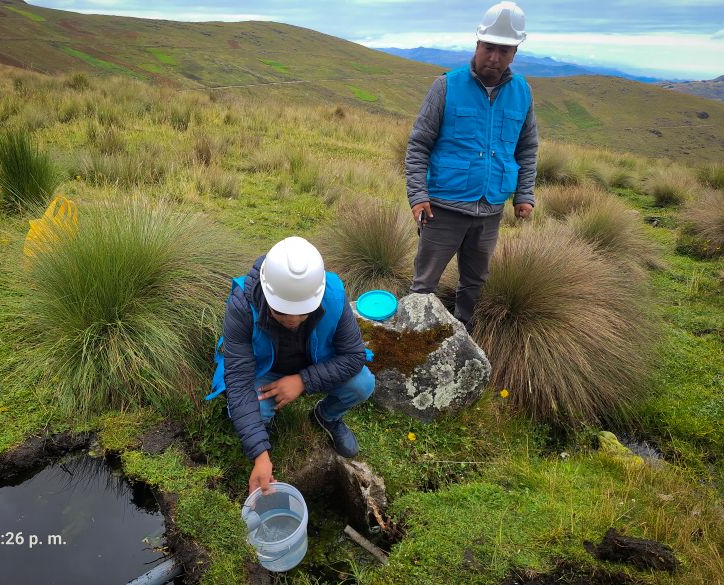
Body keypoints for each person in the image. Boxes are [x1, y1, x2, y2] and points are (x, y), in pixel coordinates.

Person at [406, 1, 538, 330]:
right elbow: (419, 143)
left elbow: (527, 147)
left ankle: (461, 334)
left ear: (514, 53)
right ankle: (413, 338)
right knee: (425, 283)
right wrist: (417, 194)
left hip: (491, 208)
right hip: (443, 207)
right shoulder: (446, 86)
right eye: (489, 48)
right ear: (477, 44)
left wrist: (524, 194)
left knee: (475, 281)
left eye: (503, 51)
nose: (494, 57)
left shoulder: (523, 92)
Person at [209, 236, 374, 495]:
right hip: (265, 371)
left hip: (314, 363)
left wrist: (302, 381)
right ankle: (262, 431)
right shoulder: (242, 305)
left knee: (362, 383)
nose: (293, 320)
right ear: (266, 292)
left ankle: (326, 417)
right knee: (251, 407)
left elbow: (353, 356)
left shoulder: (332, 295)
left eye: (303, 311)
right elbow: (239, 379)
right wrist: (260, 456)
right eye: (282, 311)